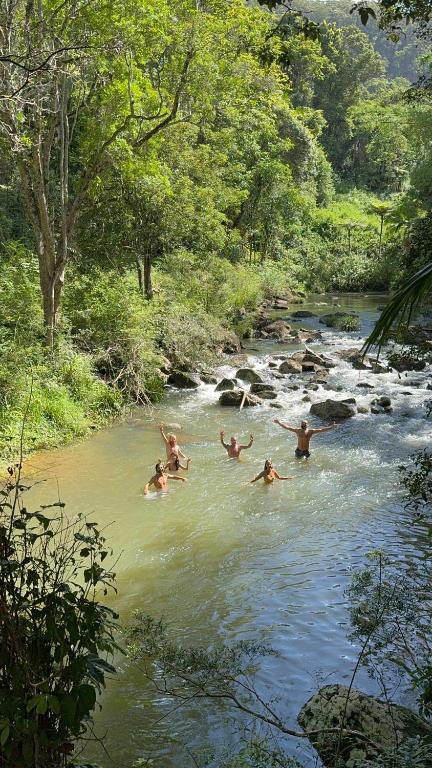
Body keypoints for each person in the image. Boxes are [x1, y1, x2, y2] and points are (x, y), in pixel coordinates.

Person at [273, 418, 338, 459]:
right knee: (297, 464)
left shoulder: (310, 431)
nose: (303, 424)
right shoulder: (297, 431)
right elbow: (287, 427)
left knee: (306, 465)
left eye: (304, 424)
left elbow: (322, 430)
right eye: (302, 424)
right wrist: (279, 422)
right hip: (298, 450)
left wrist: (332, 427)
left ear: (307, 425)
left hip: (306, 451)